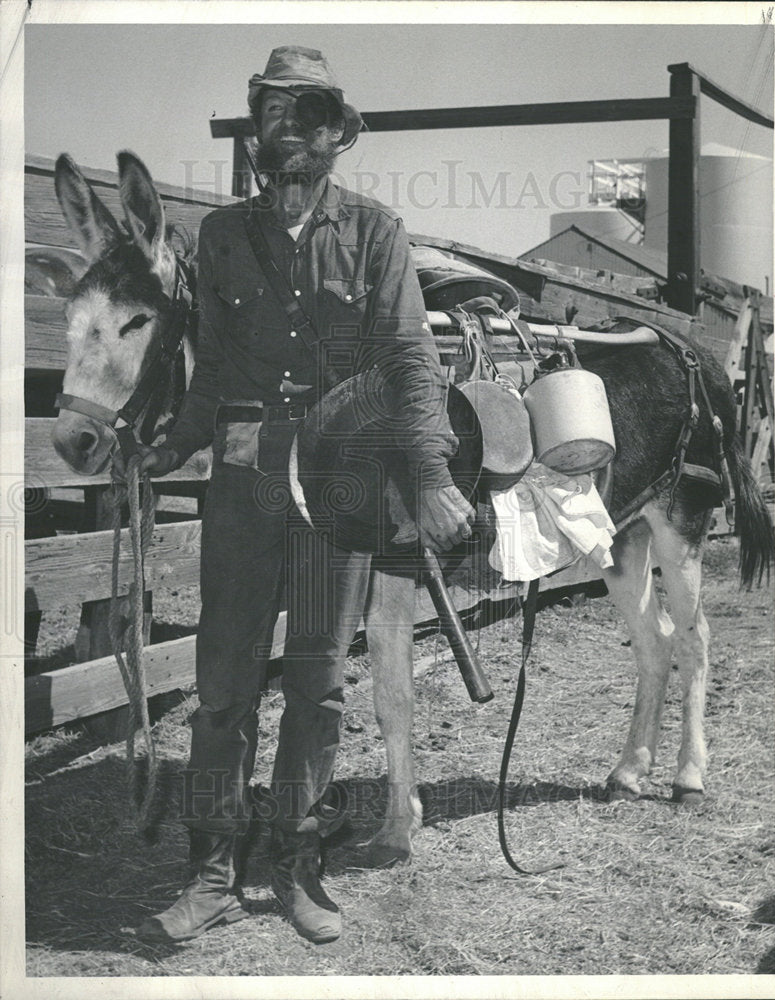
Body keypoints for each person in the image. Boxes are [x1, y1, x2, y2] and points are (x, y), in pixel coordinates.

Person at [124, 46, 474, 945]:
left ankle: (295, 862)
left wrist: (431, 476)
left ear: (333, 139)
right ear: (255, 136)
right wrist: (171, 444)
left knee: (317, 685)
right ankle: (209, 871)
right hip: (244, 490)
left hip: (336, 493)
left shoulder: (375, 233)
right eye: (273, 117)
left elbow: (408, 359)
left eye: (307, 119)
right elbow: (209, 373)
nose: (289, 137)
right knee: (221, 685)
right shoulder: (220, 236)